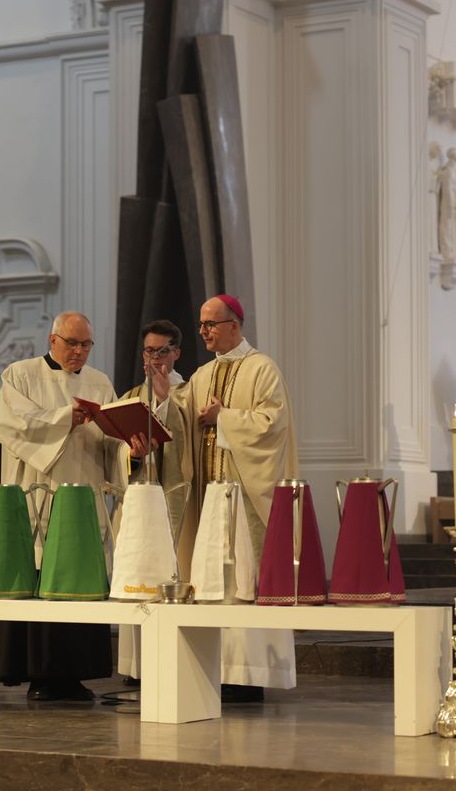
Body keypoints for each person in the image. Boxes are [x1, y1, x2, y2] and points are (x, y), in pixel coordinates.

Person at [0, 311, 134, 701]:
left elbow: (112, 439)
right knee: (43, 573)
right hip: (39, 494)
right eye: (72, 343)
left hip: (84, 495)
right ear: (52, 339)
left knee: (80, 574)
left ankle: (77, 673)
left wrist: (129, 447)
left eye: (86, 344)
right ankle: (40, 673)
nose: (79, 351)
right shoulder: (19, 375)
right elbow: (10, 425)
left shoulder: (100, 382)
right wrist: (64, 419)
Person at [169, 294, 298, 703]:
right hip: (209, 498)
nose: (204, 331)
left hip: (245, 501)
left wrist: (223, 418)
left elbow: (271, 423)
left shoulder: (263, 368)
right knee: (210, 580)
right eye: (202, 324)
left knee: (245, 580)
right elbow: (178, 415)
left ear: (235, 325)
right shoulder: (203, 374)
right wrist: (161, 395)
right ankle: (212, 669)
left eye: (212, 324)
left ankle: (247, 673)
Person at [116, 319, 189, 684]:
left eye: (162, 352)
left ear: (175, 353)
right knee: (140, 572)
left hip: (176, 500)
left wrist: (163, 403)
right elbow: (115, 450)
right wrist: (131, 453)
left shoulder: (189, 393)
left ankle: (176, 664)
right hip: (141, 505)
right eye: (148, 351)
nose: (154, 359)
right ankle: (139, 668)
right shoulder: (130, 396)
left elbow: (187, 441)